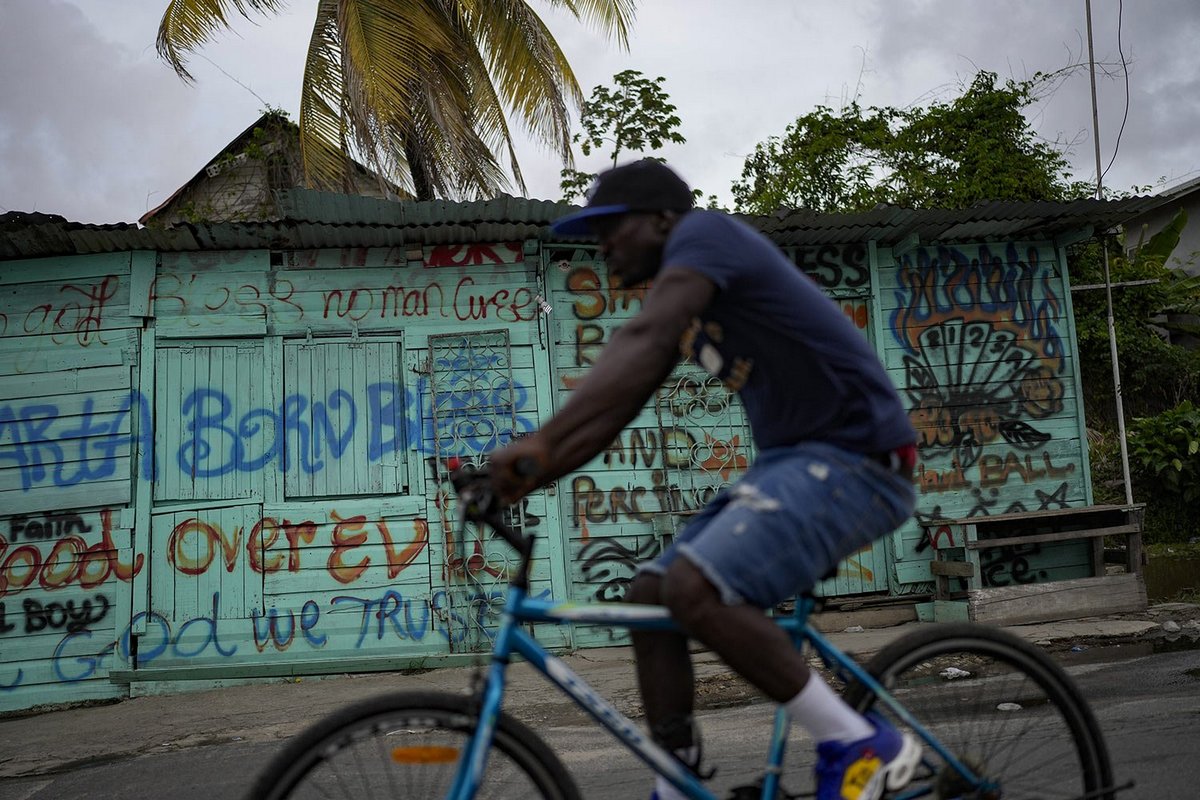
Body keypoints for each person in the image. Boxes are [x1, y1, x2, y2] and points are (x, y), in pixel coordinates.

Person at [485, 159, 921, 800]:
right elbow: (615, 411)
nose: (602, 245)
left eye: (613, 227)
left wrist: (539, 442)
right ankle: (676, 779)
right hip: (795, 463)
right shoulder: (685, 303)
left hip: (856, 457)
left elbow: (644, 334)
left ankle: (858, 742)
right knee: (650, 594)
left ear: (663, 220)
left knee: (694, 588)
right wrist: (530, 473)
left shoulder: (707, 236)